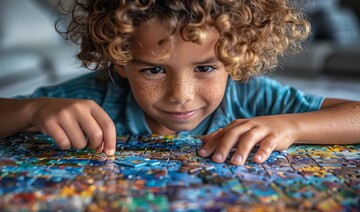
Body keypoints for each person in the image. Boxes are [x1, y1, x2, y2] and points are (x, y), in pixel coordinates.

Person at [0, 0, 359, 166]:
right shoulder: (91, 98)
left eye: (205, 69)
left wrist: (291, 126)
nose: (181, 97)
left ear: (234, 59)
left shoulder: (252, 96)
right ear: (121, 63)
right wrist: (33, 109)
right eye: (153, 71)